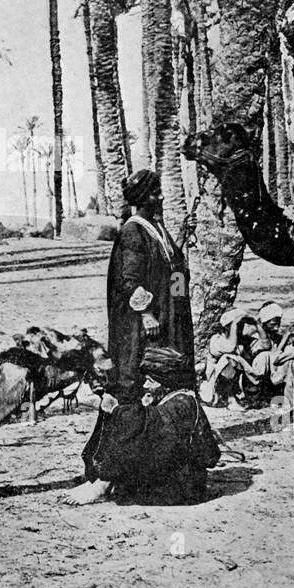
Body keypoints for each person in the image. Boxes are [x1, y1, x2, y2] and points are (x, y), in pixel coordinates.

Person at [65, 169, 219, 505]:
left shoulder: (159, 230)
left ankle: (147, 474)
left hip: (168, 330)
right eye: (154, 194)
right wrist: (148, 314)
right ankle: (102, 476)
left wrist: (178, 306)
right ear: (141, 199)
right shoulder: (134, 232)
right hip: (140, 335)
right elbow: (129, 281)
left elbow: (176, 275)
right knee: (127, 398)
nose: (161, 198)